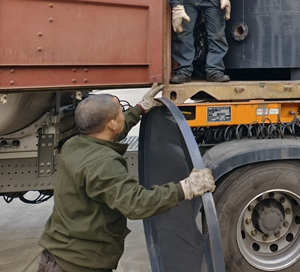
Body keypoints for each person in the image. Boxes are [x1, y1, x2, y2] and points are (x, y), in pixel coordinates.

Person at [38, 84, 215, 272]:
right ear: (111, 124)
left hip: (58, 256)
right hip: (78, 265)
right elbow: (136, 203)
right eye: (121, 112)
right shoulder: (104, 164)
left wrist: (140, 109)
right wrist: (186, 188)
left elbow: (110, 132)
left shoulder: (74, 144)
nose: (123, 114)